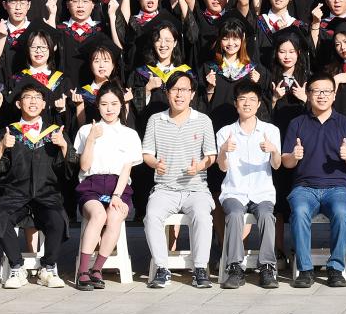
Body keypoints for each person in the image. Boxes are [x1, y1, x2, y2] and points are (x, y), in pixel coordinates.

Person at [0, 80, 72, 288]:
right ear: (19, 104)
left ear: (44, 104)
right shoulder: (8, 132)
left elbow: (69, 170)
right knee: (2, 219)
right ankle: (17, 267)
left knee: (58, 221)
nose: (33, 101)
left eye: (37, 98)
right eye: (27, 97)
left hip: (47, 194)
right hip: (14, 194)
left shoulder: (55, 132)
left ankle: (48, 267)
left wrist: (64, 147)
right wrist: (1, 147)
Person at [139, 71, 218, 289]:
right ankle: (162, 268)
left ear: (192, 94)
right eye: (174, 90)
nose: (179, 94)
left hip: (196, 189)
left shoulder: (203, 120)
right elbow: (146, 154)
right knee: (151, 216)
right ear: (167, 93)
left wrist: (199, 167)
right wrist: (155, 164)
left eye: (184, 90)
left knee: (203, 216)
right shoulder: (156, 120)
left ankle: (200, 268)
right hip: (165, 188)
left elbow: (211, 156)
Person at [283, 76, 346, 288]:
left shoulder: (345, 123)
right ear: (308, 95)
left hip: (337, 188)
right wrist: (294, 156)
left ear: (334, 95)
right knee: (299, 212)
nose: (322, 95)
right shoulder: (297, 123)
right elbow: (286, 162)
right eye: (316, 91)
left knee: (342, 214)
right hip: (304, 188)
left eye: (327, 91)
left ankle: (335, 268)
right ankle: (305, 269)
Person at [70, 84, 140, 289]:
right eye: (104, 104)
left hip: (118, 186)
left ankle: (97, 269)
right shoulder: (86, 130)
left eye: (114, 104)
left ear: (121, 105)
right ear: (97, 105)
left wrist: (117, 195)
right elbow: (84, 166)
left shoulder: (129, 134)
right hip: (91, 185)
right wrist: (91, 139)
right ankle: (83, 271)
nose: (109, 109)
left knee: (115, 216)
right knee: (99, 215)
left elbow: (126, 169)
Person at [216, 79, 284, 289]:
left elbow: (277, 165)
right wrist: (223, 150)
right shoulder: (225, 132)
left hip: (262, 191)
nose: (247, 103)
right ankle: (235, 267)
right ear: (235, 103)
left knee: (266, 216)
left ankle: (267, 267)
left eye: (252, 99)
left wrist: (274, 150)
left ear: (259, 103)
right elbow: (222, 168)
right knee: (235, 214)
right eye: (242, 99)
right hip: (234, 191)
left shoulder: (270, 130)